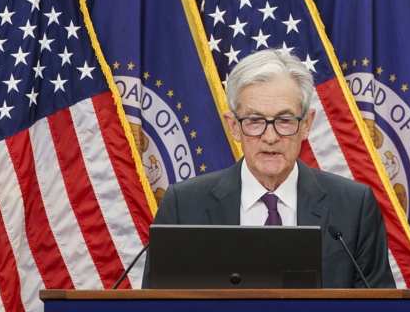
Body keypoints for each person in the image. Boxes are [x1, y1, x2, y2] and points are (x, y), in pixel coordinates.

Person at [142, 49, 395, 289]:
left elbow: (379, 306)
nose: (270, 137)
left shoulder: (354, 207)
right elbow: (156, 304)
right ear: (233, 126)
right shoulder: (183, 206)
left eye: (284, 121)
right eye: (255, 121)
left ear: (306, 124)